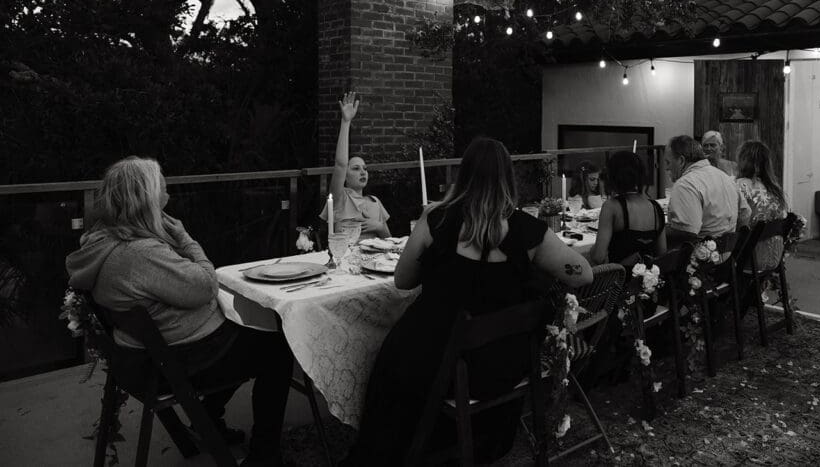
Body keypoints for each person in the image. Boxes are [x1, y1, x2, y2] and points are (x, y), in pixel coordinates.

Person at [346, 137, 593, 465]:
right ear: (507, 177)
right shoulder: (525, 230)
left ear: (463, 176)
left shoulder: (437, 220)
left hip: (434, 365)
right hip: (501, 364)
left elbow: (403, 281)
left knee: (394, 356)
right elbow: (583, 274)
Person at [65, 157, 291, 467]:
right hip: (179, 358)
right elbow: (205, 285)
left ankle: (208, 419)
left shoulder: (100, 242)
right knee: (275, 348)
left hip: (139, 355)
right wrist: (184, 237)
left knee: (251, 332)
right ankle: (264, 456)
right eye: (162, 190)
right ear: (144, 199)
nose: (167, 197)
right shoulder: (139, 254)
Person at [320, 91, 391, 239]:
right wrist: (346, 122)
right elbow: (340, 164)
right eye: (356, 168)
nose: (363, 172)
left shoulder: (375, 201)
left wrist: (378, 226)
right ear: (345, 176)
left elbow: (389, 239)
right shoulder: (341, 197)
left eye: (365, 169)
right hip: (347, 256)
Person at [665, 135, 750, 252]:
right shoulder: (725, 177)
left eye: (668, 162)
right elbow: (745, 213)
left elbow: (687, 233)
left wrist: (658, 231)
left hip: (700, 264)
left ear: (681, 161)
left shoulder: (685, 184)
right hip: (726, 260)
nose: (666, 168)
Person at [591, 151, 666, 268]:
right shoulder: (656, 207)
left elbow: (598, 257)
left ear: (612, 177)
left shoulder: (611, 207)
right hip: (648, 280)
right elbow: (662, 253)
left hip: (619, 281)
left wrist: (592, 250)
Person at [735, 141, 789, 271]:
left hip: (749, 257)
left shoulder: (738, 185)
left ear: (743, 160)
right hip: (775, 255)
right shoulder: (775, 189)